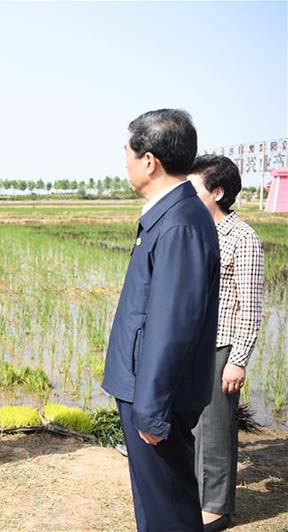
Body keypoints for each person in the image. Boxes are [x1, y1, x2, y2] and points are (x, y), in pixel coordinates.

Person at [102, 110, 220, 531]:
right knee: (156, 504)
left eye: (127, 152)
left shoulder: (179, 224)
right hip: (145, 388)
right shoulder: (170, 215)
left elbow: (173, 327)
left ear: (149, 160)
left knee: (167, 506)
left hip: (155, 396)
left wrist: (152, 410)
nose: (125, 163)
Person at [188, 155, 264, 532]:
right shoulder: (197, 230)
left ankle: (216, 509)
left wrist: (238, 360)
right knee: (193, 427)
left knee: (216, 431)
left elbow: (251, 307)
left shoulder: (243, 238)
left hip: (221, 348)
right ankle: (195, 496)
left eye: (194, 189)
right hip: (192, 345)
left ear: (217, 192)